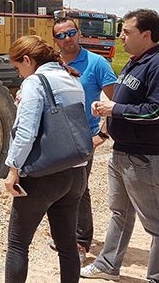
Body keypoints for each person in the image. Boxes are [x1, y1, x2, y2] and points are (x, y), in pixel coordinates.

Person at [81, 9, 159, 282]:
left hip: (145, 156)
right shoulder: (135, 62)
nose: (121, 37)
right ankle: (108, 265)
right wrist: (107, 117)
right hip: (122, 151)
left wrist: (115, 109)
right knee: (120, 213)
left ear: (146, 35)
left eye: (127, 32)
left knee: (157, 224)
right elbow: (124, 102)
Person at [4, 35, 89, 283]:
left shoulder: (35, 83)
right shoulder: (72, 78)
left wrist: (13, 168)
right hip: (76, 172)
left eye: (18, 68)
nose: (19, 74)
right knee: (67, 244)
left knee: (18, 244)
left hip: (44, 175)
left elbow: (26, 132)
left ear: (27, 60)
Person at [49, 17, 117, 264]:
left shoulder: (97, 63)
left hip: (82, 137)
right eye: (61, 35)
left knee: (78, 188)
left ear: (79, 33)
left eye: (70, 33)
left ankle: (80, 241)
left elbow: (117, 102)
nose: (67, 39)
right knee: (55, 186)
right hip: (54, 137)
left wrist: (103, 133)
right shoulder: (51, 64)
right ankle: (62, 234)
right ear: (55, 40)